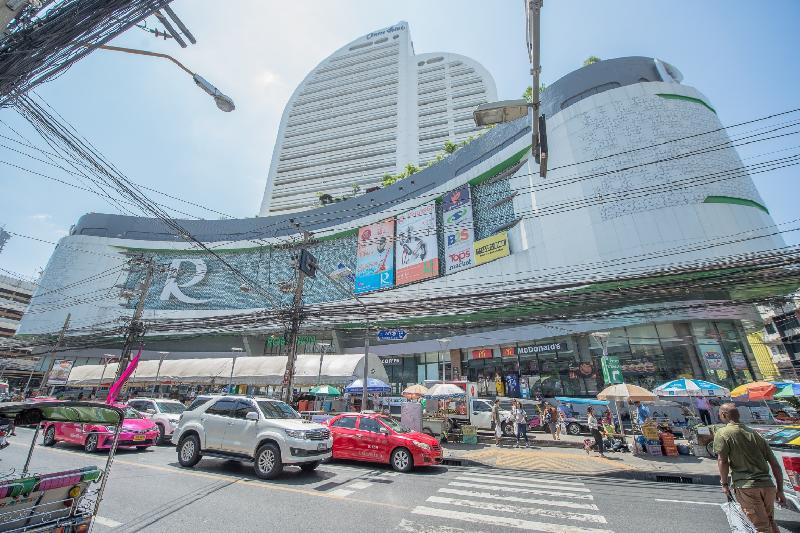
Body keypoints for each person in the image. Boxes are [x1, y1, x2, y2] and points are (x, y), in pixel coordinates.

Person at [714, 403, 785, 533]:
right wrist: (780, 490)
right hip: (767, 486)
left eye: (719, 414)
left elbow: (723, 461)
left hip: (747, 487)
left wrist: (724, 484)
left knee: (760, 527)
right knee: (769, 521)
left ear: (723, 415)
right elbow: (775, 465)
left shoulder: (723, 433)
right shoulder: (755, 434)